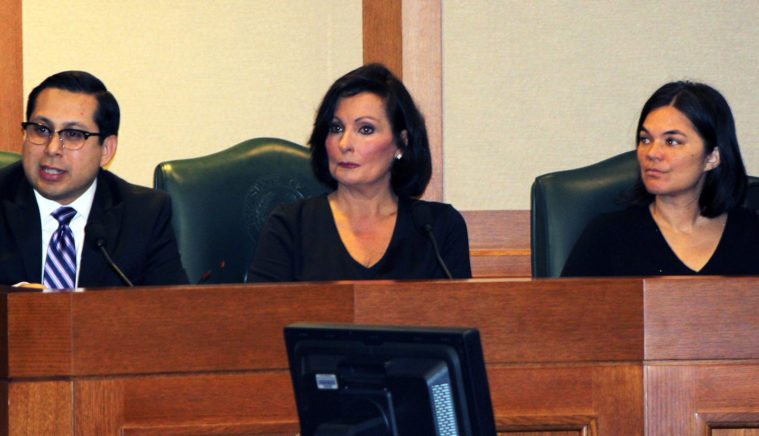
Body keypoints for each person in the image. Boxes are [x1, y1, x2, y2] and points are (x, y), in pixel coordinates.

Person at [248, 64, 471, 282]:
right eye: (336, 128)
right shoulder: (291, 225)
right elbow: (261, 316)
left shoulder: (437, 228)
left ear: (401, 144)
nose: (345, 144)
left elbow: (458, 315)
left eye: (365, 129)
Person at [0, 70, 188, 288]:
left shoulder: (144, 215)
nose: (52, 149)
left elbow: (173, 311)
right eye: (41, 130)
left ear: (106, 150)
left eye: (73, 135)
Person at [562, 81, 759, 276]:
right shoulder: (606, 236)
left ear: (712, 157)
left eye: (672, 141)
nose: (652, 153)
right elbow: (567, 307)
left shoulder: (752, 234)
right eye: (645, 139)